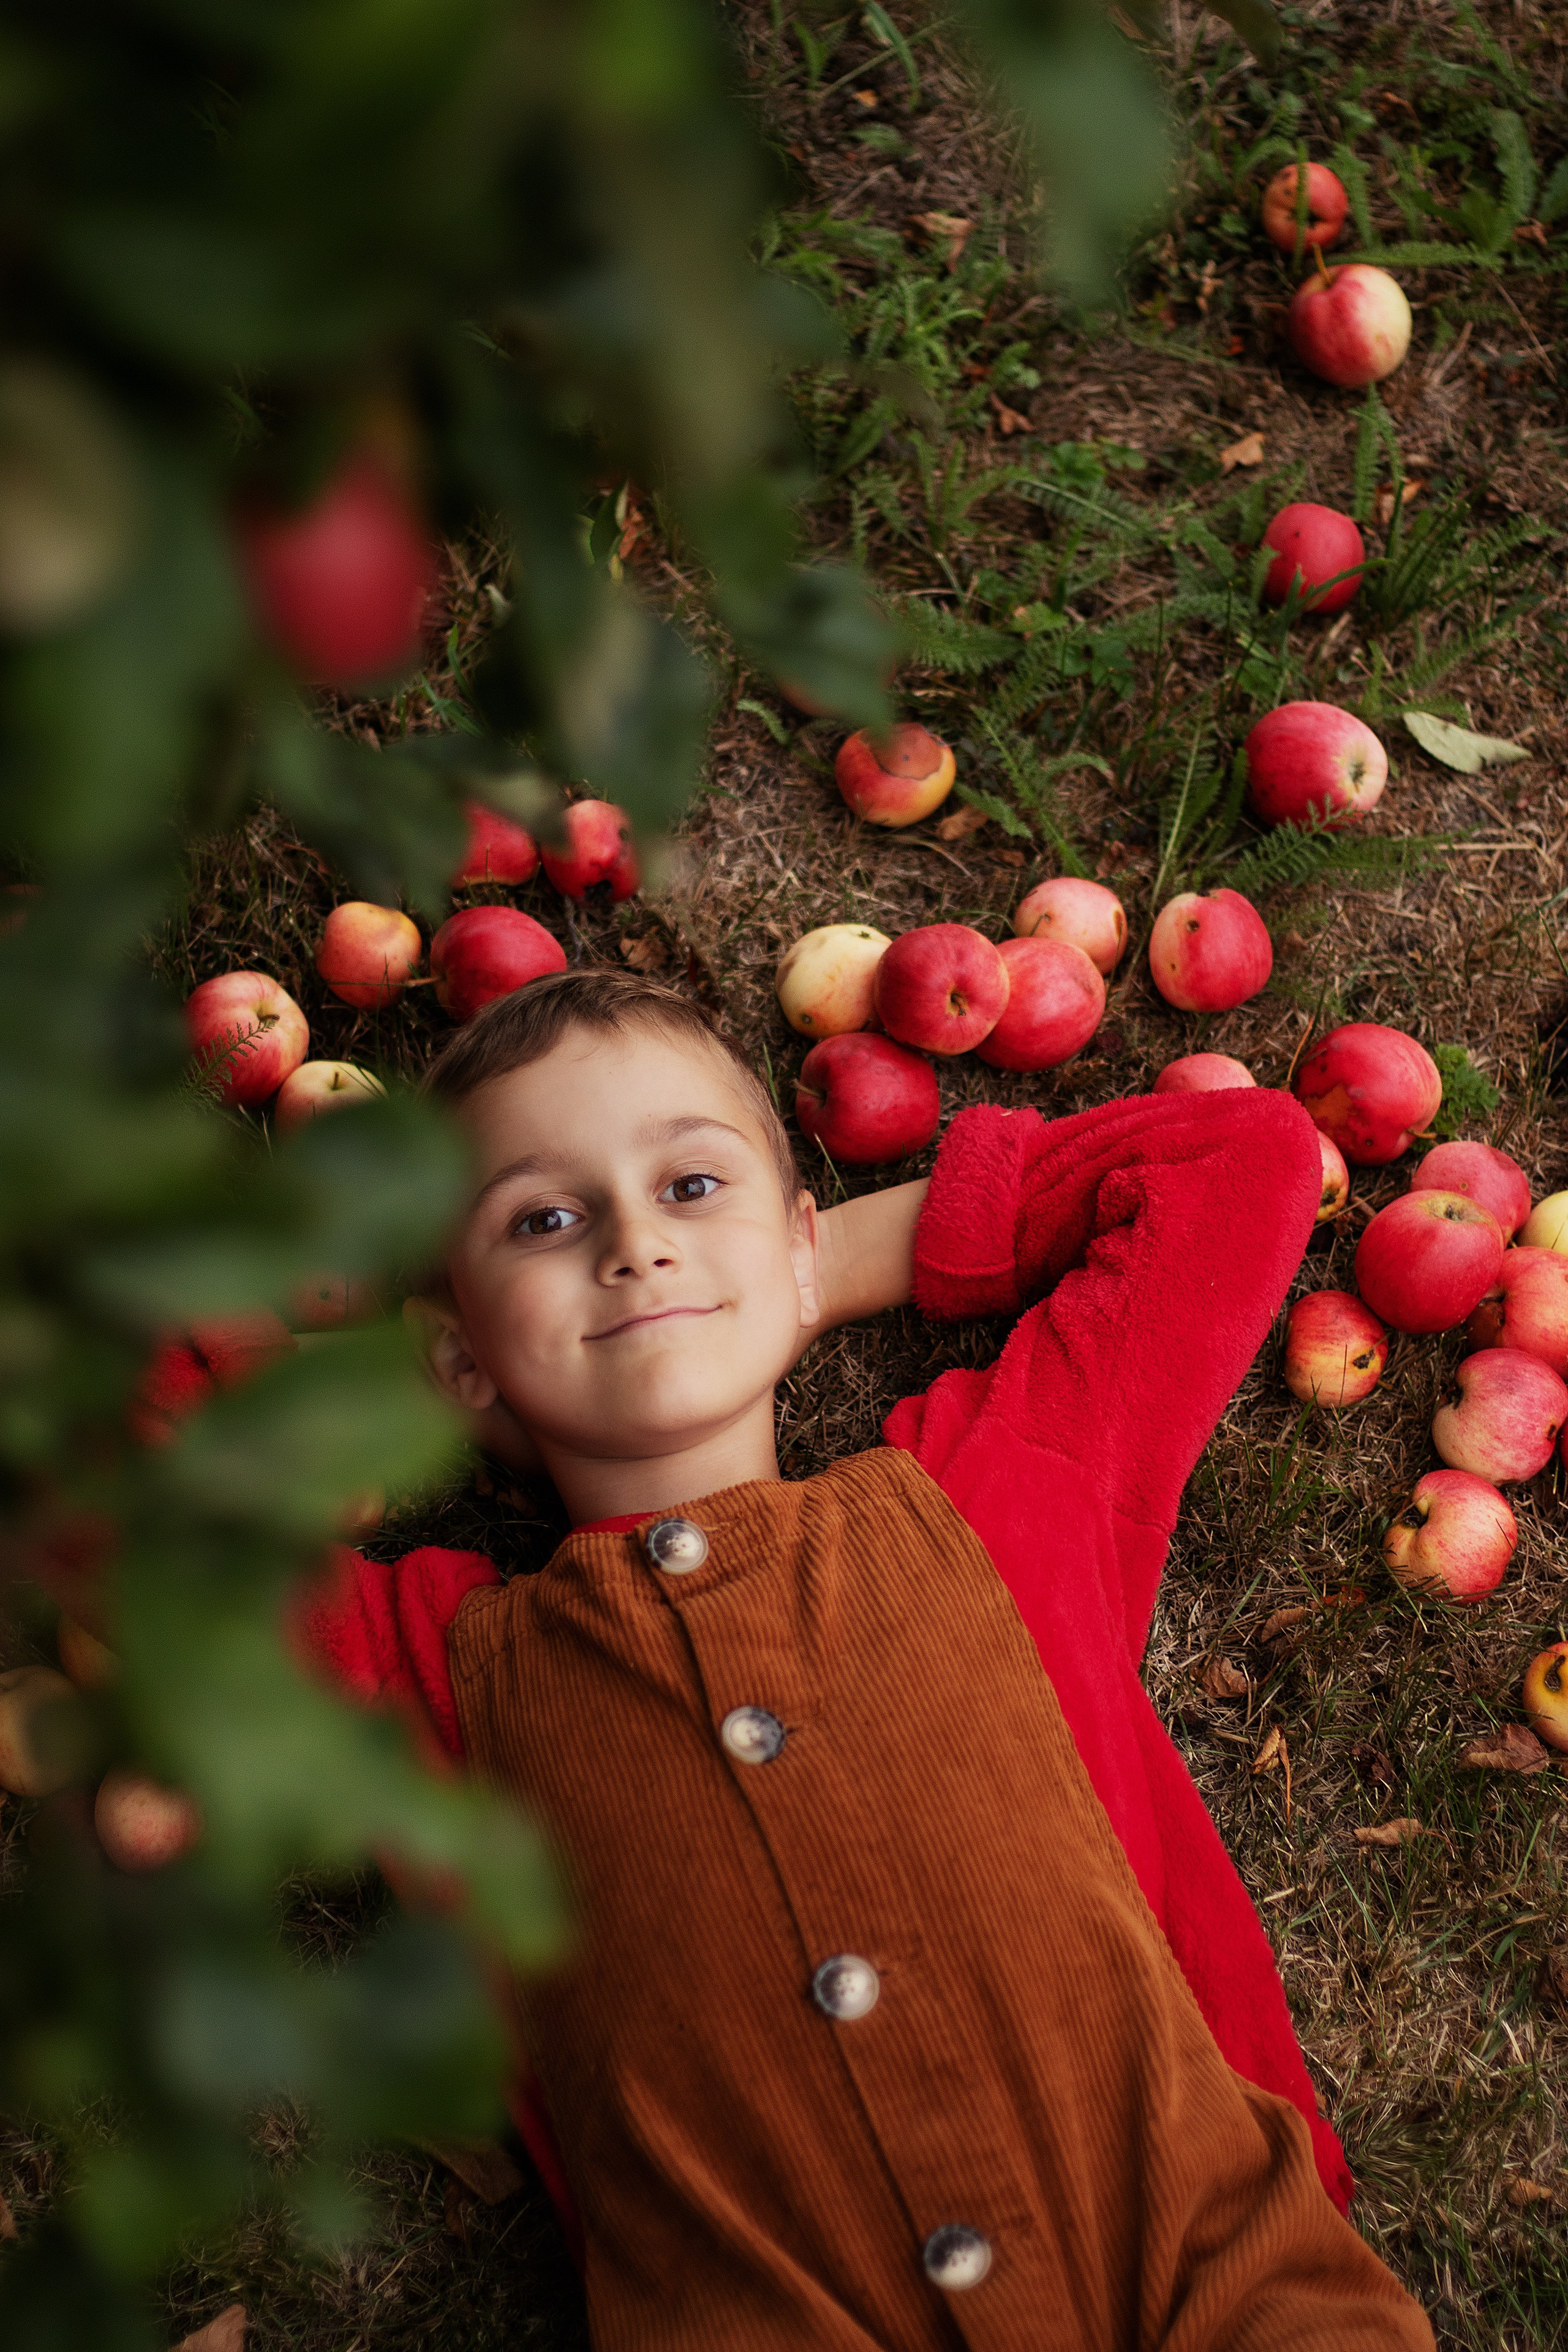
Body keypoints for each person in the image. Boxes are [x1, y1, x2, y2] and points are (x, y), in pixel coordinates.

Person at [303, 968, 1433, 2351]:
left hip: (1224, 2295)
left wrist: (798, 1277)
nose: (633, 1247)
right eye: (544, 1218)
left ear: (794, 1241)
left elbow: (1235, 1159)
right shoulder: (434, 1677)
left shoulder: (998, 1494)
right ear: (459, 1357)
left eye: (691, 1188)